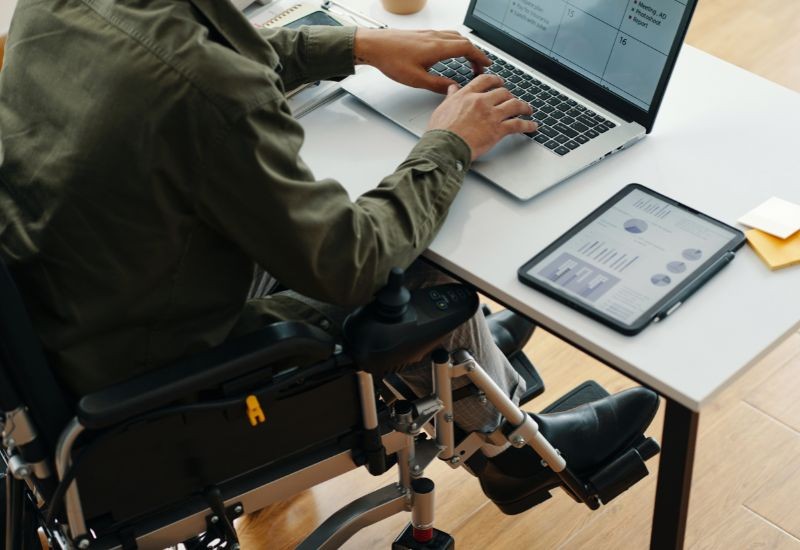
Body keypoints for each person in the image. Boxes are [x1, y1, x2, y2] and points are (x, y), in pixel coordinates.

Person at [0, 0, 657, 512]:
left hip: (76, 318)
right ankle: (515, 452)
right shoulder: (199, 90)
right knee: (423, 274)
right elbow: (354, 260)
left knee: (379, 226)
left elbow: (182, 70)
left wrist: (357, 46)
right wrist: (451, 142)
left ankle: (469, 364)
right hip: (163, 391)